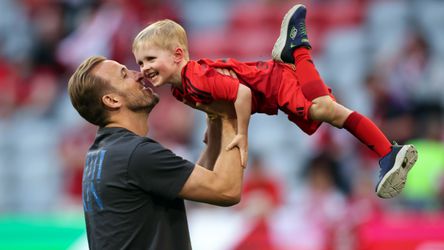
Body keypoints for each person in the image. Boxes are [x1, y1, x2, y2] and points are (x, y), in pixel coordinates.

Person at [131, 4, 418, 199]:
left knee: (324, 109)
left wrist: (242, 134)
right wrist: (208, 157)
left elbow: (240, 94)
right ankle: (296, 50)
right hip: (271, 89)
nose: (144, 67)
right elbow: (215, 110)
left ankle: (299, 48)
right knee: (325, 108)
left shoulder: (194, 77)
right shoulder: (183, 90)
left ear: (178, 55)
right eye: (140, 62)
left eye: (150, 59)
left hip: (272, 84)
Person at [67, 55, 245, 249]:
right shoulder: (134, 154)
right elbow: (227, 191)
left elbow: (198, 184)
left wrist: (214, 118)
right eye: (124, 75)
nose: (139, 74)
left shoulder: (103, 153)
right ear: (112, 100)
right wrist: (229, 114)